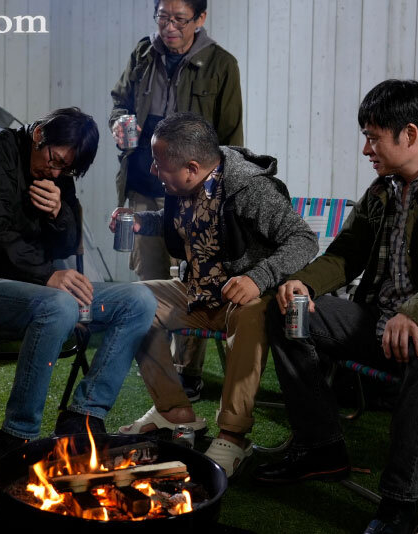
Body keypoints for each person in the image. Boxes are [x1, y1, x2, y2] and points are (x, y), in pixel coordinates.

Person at [254, 80, 418, 534]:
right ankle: (320, 446)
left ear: (409, 133)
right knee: (286, 310)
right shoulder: (382, 190)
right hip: (381, 322)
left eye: (372, 138)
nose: (365, 149)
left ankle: (399, 502)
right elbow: (345, 254)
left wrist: (415, 310)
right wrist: (302, 283)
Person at [0, 107, 158, 463]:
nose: (55, 172)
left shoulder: (58, 171)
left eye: (66, 169)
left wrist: (59, 214)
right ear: (39, 135)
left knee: (139, 299)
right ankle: (16, 436)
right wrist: (47, 276)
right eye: (54, 161)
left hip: (40, 289)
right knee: (59, 305)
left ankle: (83, 417)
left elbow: (67, 246)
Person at [112, 112, 318, 478]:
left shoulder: (251, 189)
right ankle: (174, 411)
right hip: (195, 292)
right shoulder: (181, 186)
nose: (155, 171)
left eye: (160, 164)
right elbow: (187, 224)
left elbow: (304, 239)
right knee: (134, 303)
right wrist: (143, 221)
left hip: (243, 300)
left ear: (192, 168)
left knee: (253, 312)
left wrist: (258, 277)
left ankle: (233, 436)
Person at [110, 0, 245, 401]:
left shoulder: (222, 64)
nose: (169, 27)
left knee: (193, 279)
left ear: (200, 19)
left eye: (180, 20)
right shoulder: (143, 53)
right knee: (148, 281)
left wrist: (214, 195)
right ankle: (158, 370)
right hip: (143, 182)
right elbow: (120, 103)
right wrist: (118, 122)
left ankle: (187, 372)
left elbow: (232, 138)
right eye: (163, 18)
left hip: (192, 192)